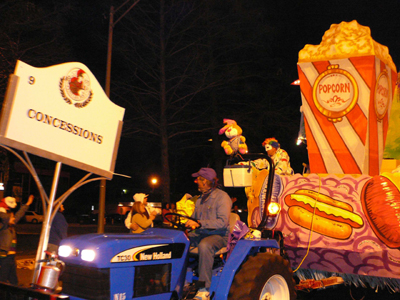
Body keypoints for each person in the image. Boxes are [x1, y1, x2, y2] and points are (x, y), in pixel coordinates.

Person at [185, 167, 231, 300]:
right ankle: (181, 280)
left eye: (199, 179)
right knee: (180, 241)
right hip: (201, 232)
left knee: (205, 245)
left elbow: (222, 222)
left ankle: (204, 289)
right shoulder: (200, 199)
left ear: (206, 181)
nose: (196, 181)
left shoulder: (222, 197)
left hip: (220, 235)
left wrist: (200, 223)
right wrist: (186, 224)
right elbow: (194, 220)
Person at [0, 195, 34, 285]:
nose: (14, 218)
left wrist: (27, 204)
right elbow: (3, 216)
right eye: (12, 217)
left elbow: (19, 214)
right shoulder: (3, 226)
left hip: (11, 256)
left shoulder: (10, 226)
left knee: (14, 280)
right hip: (5, 256)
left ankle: (14, 294)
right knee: (3, 279)